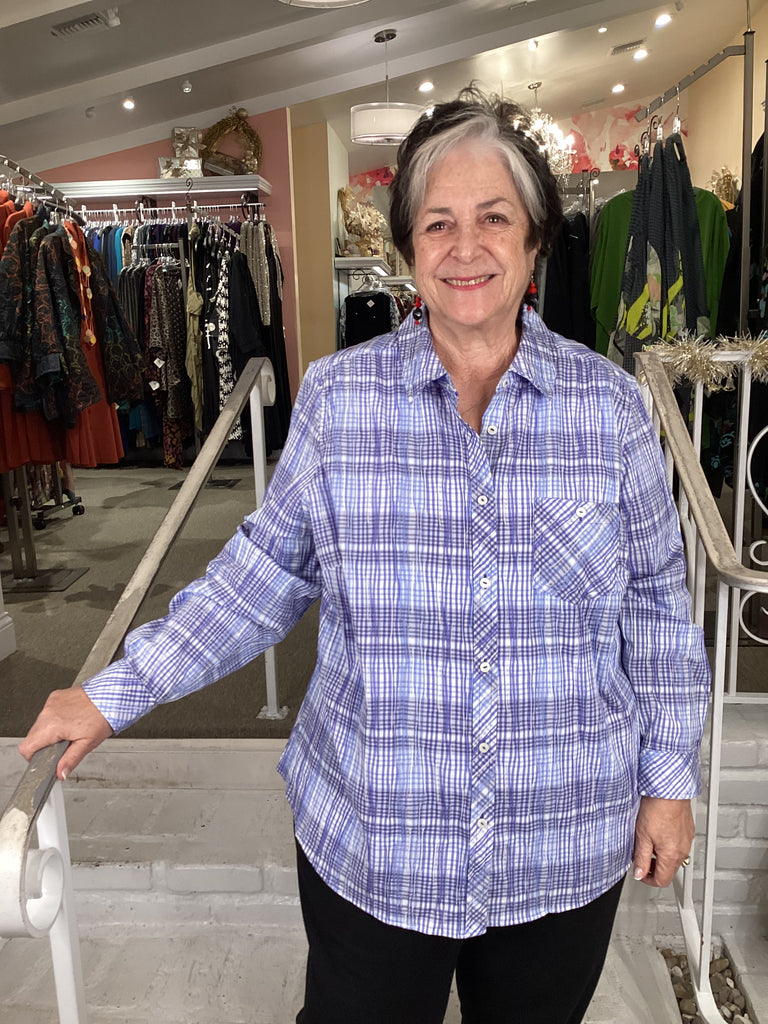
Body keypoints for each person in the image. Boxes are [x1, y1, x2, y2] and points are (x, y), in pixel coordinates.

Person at [21, 88, 710, 1024]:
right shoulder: (341, 400)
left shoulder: (612, 411)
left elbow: (658, 609)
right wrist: (117, 691)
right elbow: (263, 575)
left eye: (493, 218)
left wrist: (668, 782)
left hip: (559, 838)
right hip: (376, 841)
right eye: (438, 223)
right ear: (409, 248)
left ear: (536, 237)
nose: (465, 248)